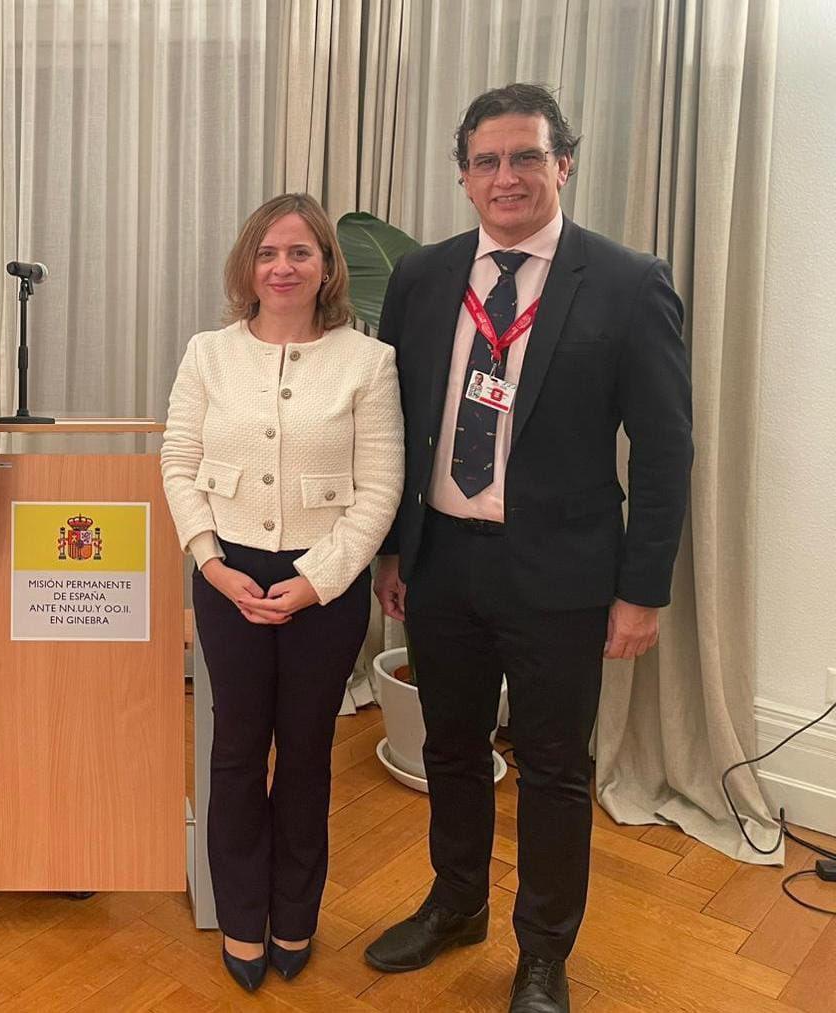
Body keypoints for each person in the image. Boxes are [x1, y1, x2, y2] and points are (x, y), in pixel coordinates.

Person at [363, 84, 691, 1013]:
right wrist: (394, 548)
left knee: (553, 767)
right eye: (487, 161)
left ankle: (544, 952)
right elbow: (396, 425)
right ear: (464, 176)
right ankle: (457, 903)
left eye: (526, 158)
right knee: (452, 748)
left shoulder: (627, 282)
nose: (506, 177)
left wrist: (642, 590)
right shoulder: (426, 279)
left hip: (561, 577)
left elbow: (665, 448)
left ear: (563, 164)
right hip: (442, 564)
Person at [162, 193, 403, 992]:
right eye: (268, 252)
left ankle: (294, 912)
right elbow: (178, 462)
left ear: (327, 265)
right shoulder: (208, 353)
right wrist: (209, 560)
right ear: (247, 265)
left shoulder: (368, 362)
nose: (283, 266)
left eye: (301, 252)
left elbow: (380, 490)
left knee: (304, 754)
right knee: (234, 752)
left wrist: (316, 582)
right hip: (227, 573)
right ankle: (240, 915)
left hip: (324, 585)